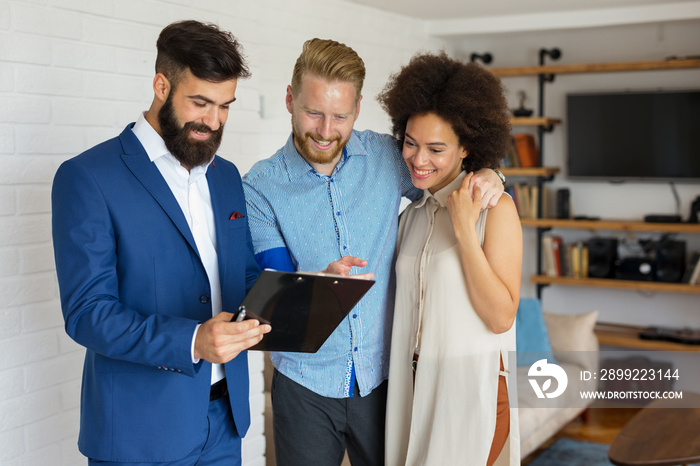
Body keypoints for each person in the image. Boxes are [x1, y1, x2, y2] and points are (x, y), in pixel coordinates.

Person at [242, 39, 506, 466]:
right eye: (313, 112)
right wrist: (319, 286)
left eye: (340, 116)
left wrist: (494, 172)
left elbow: (446, 166)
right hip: (306, 383)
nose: (326, 130)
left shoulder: (388, 156)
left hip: (386, 379)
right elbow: (275, 304)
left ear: (359, 108)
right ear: (290, 99)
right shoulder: (259, 187)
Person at [51, 20, 270, 466]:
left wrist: (307, 290)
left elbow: (242, 275)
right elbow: (88, 314)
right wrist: (193, 340)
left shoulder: (226, 175)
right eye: (200, 102)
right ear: (161, 84)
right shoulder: (87, 177)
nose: (214, 120)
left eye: (225, 106)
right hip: (139, 434)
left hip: (224, 423)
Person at [379, 52, 523, 466]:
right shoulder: (413, 215)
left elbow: (500, 317)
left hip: (470, 386)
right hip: (411, 383)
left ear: (466, 149)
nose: (418, 160)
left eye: (436, 148)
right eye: (410, 142)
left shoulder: (496, 210)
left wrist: (463, 228)